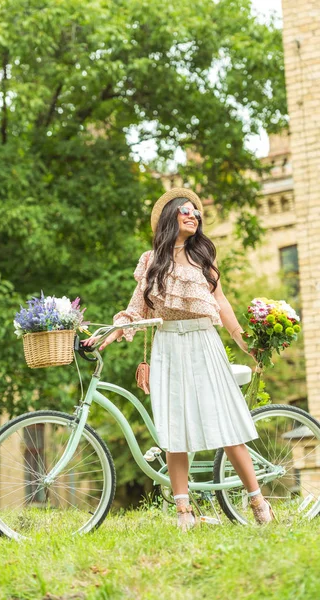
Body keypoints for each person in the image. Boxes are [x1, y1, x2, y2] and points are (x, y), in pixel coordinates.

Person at [83, 187, 275, 531]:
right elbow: (134, 309)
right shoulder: (150, 260)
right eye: (185, 210)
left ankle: (257, 500)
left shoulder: (203, 258)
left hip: (205, 342)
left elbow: (222, 303)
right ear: (171, 216)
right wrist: (107, 336)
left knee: (226, 423)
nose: (193, 216)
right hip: (168, 345)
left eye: (196, 212)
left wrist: (241, 339)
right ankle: (183, 511)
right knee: (174, 429)